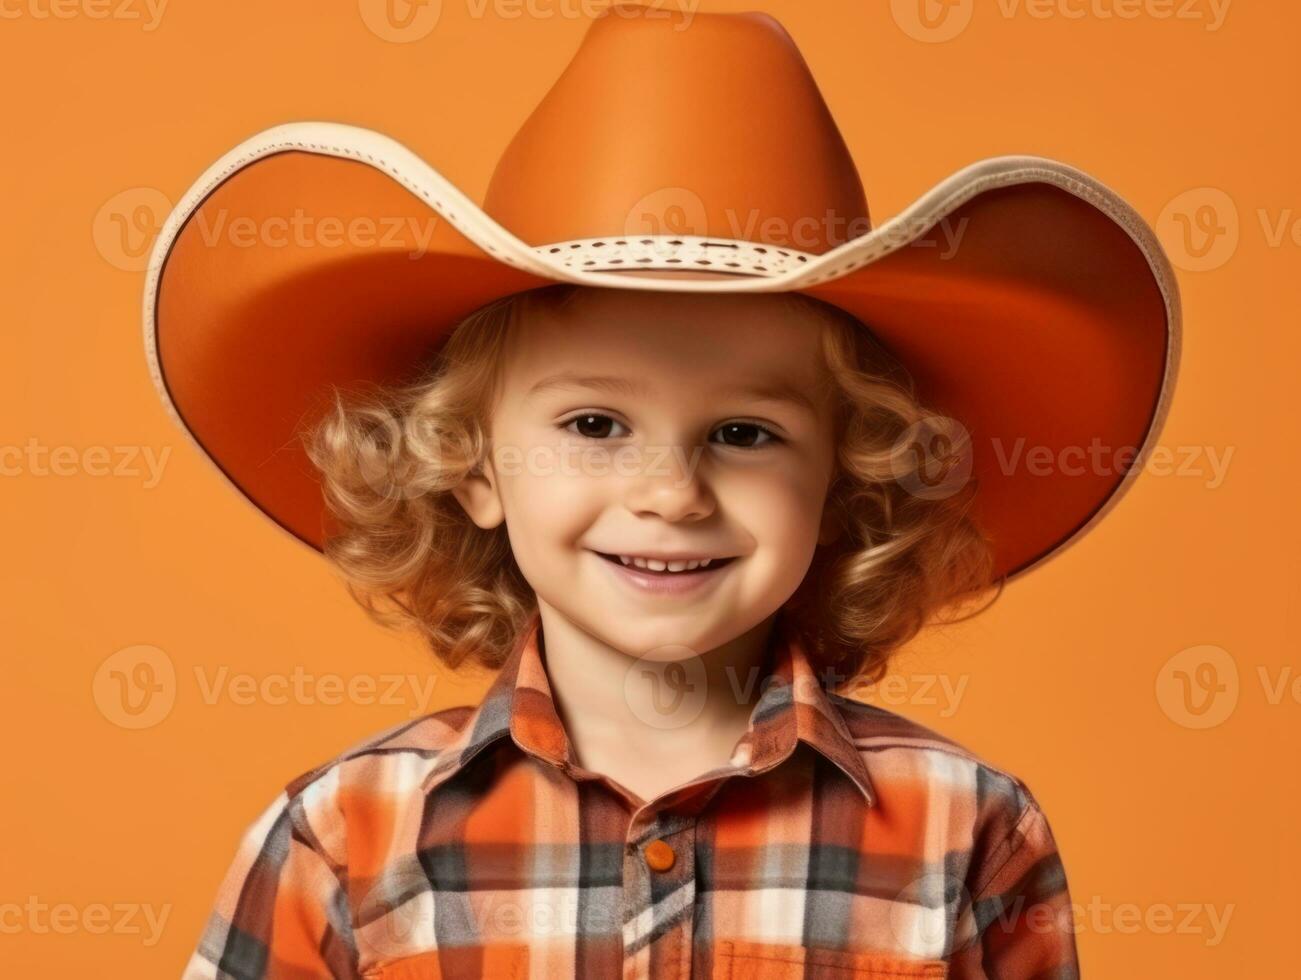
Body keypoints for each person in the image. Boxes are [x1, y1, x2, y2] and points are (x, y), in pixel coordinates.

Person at [148, 6, 1178, 978]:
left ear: (844, 474)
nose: (670, 492)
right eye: (594, 425)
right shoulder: (346, 834)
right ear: (468, 460)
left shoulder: (966, 825)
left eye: (742, 433)